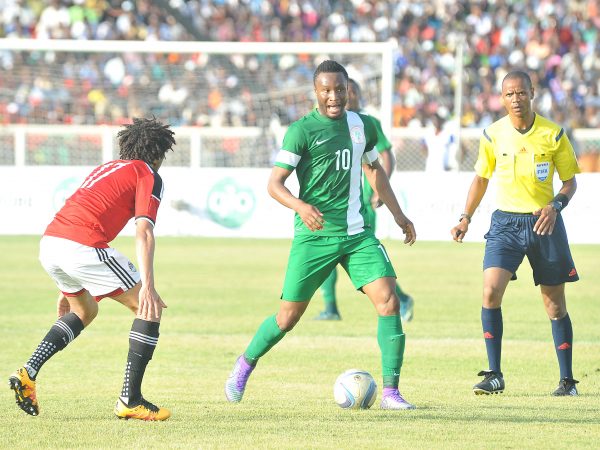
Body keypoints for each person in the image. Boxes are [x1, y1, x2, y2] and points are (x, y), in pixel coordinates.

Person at [225, 60, 417, 410]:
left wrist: (399, 214)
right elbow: (274, 184)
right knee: (287, 318)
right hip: (314, 236)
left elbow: (374, 170)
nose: (333, 97)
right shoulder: (301, 131)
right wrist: (300, 206)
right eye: (326, 90)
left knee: (389, 300)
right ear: (315, 92)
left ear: (348, 91)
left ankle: (391, 393)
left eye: (339, 90)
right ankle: (245, 363)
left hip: (357, 233)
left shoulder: (361, 125)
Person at [8, 117, 176, 420]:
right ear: (158, 153)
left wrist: (69, 280)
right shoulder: (147, 173)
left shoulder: (107, 168)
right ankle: (130, 399)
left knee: (84, 310)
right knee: (148, 308)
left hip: (51, 244)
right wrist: (148, 286)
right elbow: (144, 231)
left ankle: (28, 372)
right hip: (80, 245)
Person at [451, 71, 581, 396]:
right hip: (505, 225)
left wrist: (555, 206)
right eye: (509, 94)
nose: (516, 99)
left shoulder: (553, 134)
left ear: (532, 93)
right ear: (501, 98)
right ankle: (494, 374)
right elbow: (481, 179)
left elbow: (570, 182)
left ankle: (567, 381)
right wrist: (465, 217)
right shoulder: (493, 134)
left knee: (554, 306)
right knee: (490, 292)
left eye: (521, 92)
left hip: (544, 223)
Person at [315, 78, 415, 322]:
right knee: (329, 253)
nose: (345, 96)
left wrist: (379, 191)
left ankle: (400, 299)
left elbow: (385, 155)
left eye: (350, 92)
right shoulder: (333, 123)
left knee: (362, 256)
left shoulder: (366, 123)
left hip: (362, 203)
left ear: (357, 96)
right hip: (335, 203)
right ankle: (331, 308)